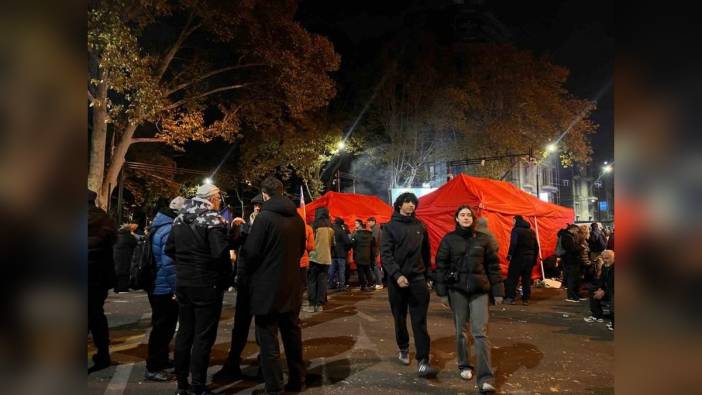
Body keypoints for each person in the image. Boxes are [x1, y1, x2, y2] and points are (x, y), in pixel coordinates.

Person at [165, 183, 242, 395]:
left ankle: (182, 383)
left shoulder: (180, 218)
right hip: (206, 284)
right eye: (218, 197)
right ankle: (198, 385)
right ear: (212, 198)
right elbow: (219, 253)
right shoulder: (212, 219)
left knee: (185, 333)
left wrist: (185, 263)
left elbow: (169, 248)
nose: (219, 201)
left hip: (184, 282)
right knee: (203, 336)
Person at [239, 176, 307, 394]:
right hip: (291, 285)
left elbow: (251, 253)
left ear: (265, 194)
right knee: (292, 334)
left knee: (267, 338)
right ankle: (297, 380)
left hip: (267, 287)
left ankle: (274, 387)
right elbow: (300, 249)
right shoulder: (297, 218)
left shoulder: (264, 218)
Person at [434, 205, 503, 393]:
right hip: (457, 291)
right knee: (461, 331)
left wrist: (498, 291)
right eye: (462, 215)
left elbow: (493, 266)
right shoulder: (449, 239)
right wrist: (441, 293)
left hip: (480, 290)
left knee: (480, 332)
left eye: (468, 215)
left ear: (473, 219)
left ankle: (486, 378)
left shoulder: (484, 239)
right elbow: (440, 266)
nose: (465, 218)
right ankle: (464, 364)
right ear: (456, 218)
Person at [381, 192, 436, 378]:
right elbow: (386, 255)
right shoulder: (389, 227)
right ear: (399, 205)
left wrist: (428, 275)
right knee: (399, 317)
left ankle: (423, 360)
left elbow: (426, 253)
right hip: (397, 282)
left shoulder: (421, 226)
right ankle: (403, 347)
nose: (411, 205)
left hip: (418, 279)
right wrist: (397, 275)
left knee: (419, 321)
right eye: (407, 202)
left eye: (413, 202)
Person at [213, 194, 265, 383]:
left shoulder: (268, 225)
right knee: (240, 326)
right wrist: (235, 228)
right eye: (256, 205)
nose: (257, 208)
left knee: (263, 327)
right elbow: (232, 243)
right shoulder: (246, 224)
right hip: (245, 282)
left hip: (261, 283)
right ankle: (232, 364)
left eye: (260, 205)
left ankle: (264, 366)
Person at [144, 196, 184, 382]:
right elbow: (169, 265)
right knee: (163, 328)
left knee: (162, 326)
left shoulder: (159, 226)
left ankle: (159, 360)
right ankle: (154, 367)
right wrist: (176, 289)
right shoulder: (169, 230)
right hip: (164, 287)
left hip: (156, 284)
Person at [88, 189, 117, 373]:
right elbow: (113, 241)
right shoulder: (105, 219)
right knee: (96, 315)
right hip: (98, 277)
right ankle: (103, 353)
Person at [305, 208, 334, 313]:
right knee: (322, 281)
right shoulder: (331, 227)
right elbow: (333, 244)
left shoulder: (314, 226)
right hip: (326, 258)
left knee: (312, 281)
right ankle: (320, 304)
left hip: (314, 257)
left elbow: (310, 243)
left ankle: (312, 304)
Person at [504, 216, 538, 305]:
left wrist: (510, 254)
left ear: (516, 221)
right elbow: (536, 247)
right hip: (529, 258)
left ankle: (510, 298)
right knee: (526, 279)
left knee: (512, 278)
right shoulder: (531, 231)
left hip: (518, 257)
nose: (513, 222)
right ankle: (525, 299)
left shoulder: (516, 230)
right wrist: (534, 259)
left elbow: (513, 243)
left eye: (513, 221)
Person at [583, 250, 615, 330]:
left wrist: (604, 291)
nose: (605, 260)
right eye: (603, 258)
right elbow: (602, 279)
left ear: (613, 257)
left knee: (613, 298)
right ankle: (597, 315)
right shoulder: (604, 266)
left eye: (607, 258)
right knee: (592, 290)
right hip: (607, 289)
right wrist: (600, 288)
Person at [561, 224, 584, 302]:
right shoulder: (566, 237)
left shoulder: (568, 236)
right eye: (576, 230)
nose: (577, 232)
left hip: (572, 260)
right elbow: (571, 248)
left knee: (575, 278)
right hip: (570, 261)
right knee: (572, 278)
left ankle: (575, 294)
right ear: (572, 229)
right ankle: (571, 296)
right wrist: (581, 247)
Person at [351, 219, 376, 291]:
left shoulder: (356, 234)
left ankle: (363, 285)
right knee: (367, 270)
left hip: (359, 255)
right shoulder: (370, 234)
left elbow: (352, 244)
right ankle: (371, 284)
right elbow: (373, 245)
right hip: (367, 255)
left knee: (360, 271)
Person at [113, 223, 137, 293]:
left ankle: (116, 287)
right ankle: (123, 288)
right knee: (124, 271)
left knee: (117, 271)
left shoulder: (117, 235)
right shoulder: (129, 236)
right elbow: (135, 243)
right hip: (126, 256)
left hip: (115, 255)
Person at [329, 217, 351, 289]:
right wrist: (346, 249)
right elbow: (347, 242)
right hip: (341, 254)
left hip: (332, 253)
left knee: (331, 270)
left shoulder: (330, 230)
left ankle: (331, 284)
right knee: (341, 270)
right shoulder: (341, 231)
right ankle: (341, 285)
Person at [368, 217, 384, 289]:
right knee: (375, 267)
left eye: (369, 222)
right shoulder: (376, 229)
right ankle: (378, 282)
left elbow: (374, 240)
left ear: (373, 221)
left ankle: (379, 283)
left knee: (375, 267)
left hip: (375, 251)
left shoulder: (375, 229)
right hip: (377, 250)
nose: (368, 223)